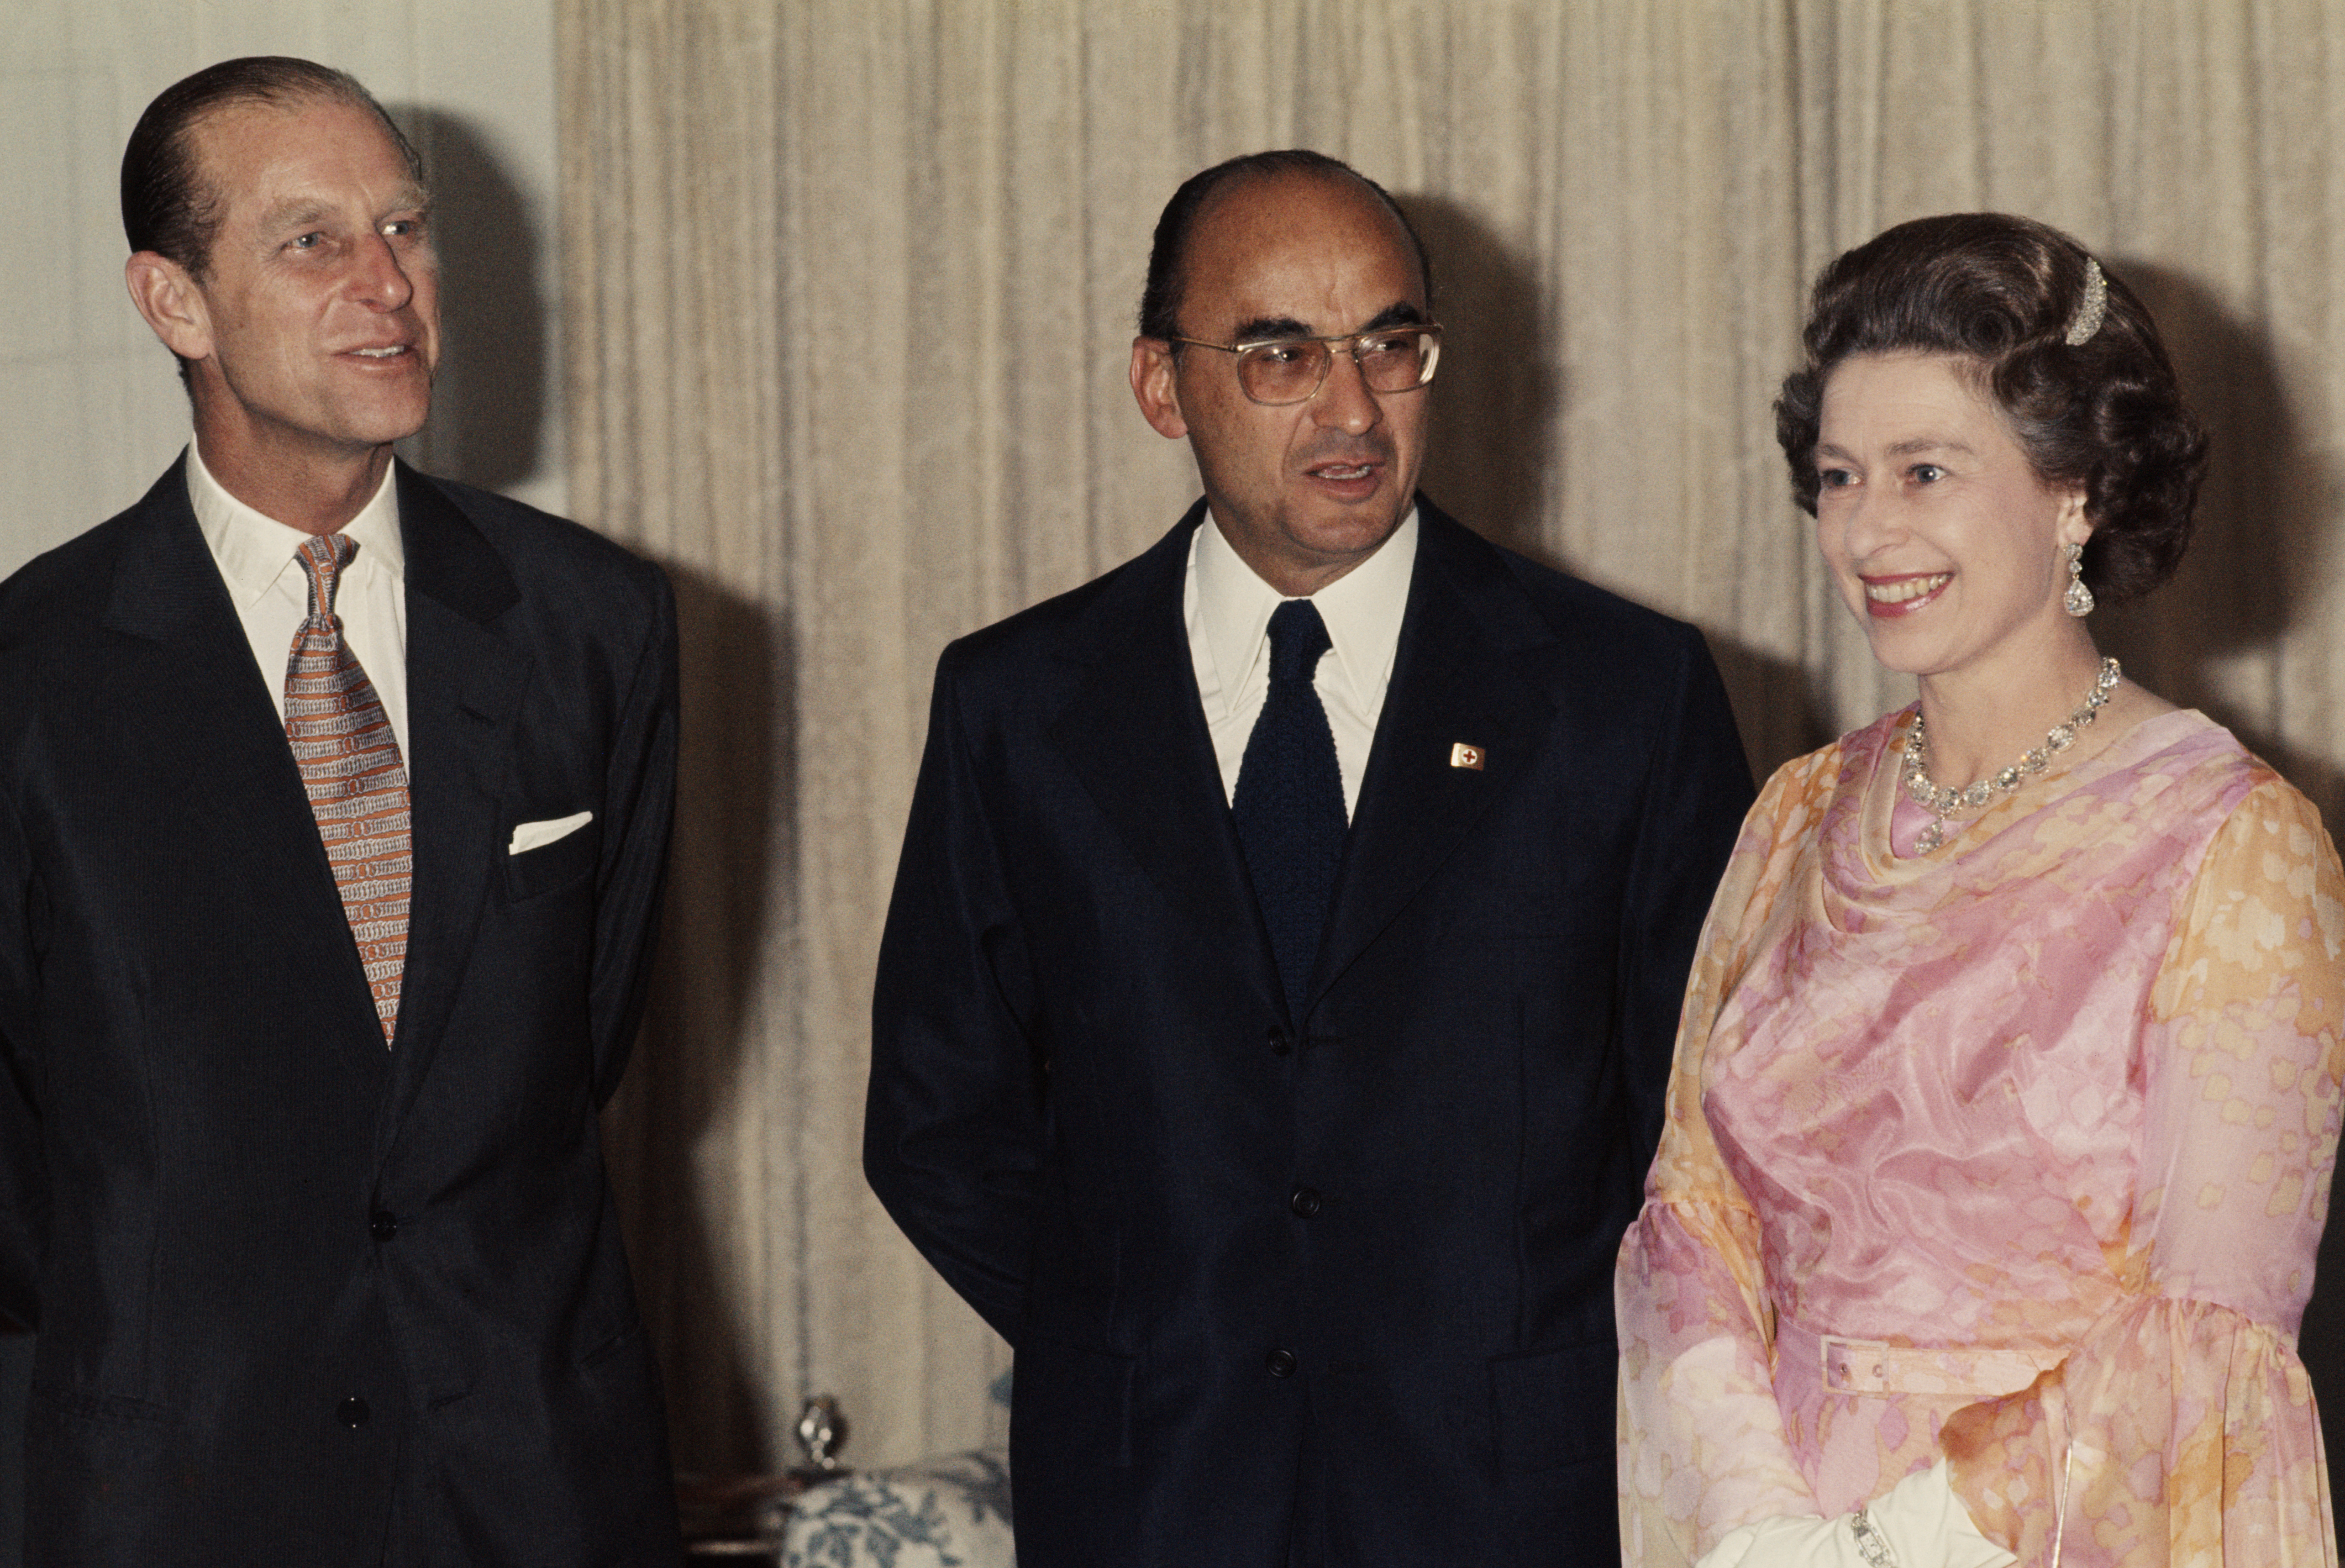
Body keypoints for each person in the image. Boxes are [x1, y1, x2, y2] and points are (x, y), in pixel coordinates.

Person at [865, 148, 1754, 1567]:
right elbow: (934, 1119)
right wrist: (1143, 1331)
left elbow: (1715, 1132)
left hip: (1515, 1498)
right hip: (1150, 1496)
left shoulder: (1620, 697)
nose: (1353, 408)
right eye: (1281, 353)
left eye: (1391, 344)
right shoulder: (1020, 705)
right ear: (1163, 384)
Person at [0, 58, 683, 1563]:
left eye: (408, 227)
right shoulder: (33, 674)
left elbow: (581, 1042)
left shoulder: (594, 621)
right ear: (174, 302)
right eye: (313, 240)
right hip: (175, 1494)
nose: (390, 285)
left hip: (536, 1484)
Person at [1616, 212, 2345, 1568]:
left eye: (1924, 471)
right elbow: (1691, 1219)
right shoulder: (1794, 817)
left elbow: (2210, 1334)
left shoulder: (2235, 846)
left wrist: (1894, 1544)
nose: (1868, 530)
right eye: (1839, 476)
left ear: (2076, 488)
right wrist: (1762, 1524)